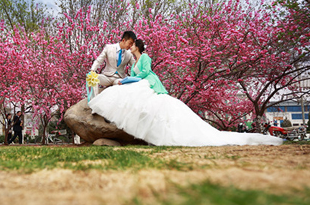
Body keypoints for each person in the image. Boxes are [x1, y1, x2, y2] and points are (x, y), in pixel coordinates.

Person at [88, 39, 284, 147]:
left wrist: (128, 80)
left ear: (137, 47)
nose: (129, 47)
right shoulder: (135, 60)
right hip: (140, 82)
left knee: (153, 104)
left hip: (149, 83)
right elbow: (134, 72)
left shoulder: (144, 57)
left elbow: (146, 74)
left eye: (132, 45)